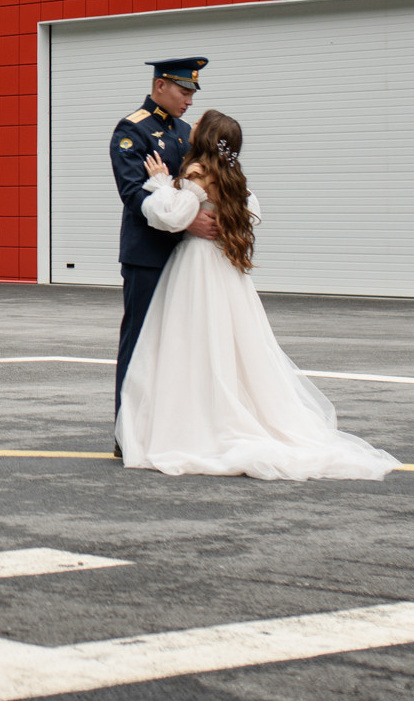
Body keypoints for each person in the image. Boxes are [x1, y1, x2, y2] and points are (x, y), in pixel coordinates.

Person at [115, 109, 399, 481]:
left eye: (199, 123)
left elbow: (170, 216)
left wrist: (161, 183)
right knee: (232, 341)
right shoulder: (231, 176)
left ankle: (195, 419)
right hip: (225, 268)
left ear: (206, 136)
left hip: (196, 265)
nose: (191, 124)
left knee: (192, 341)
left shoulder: (196, 172)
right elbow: (251, 211)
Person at [107, 56, 217, 446]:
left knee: (182, 345)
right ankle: (128, 434)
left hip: (187, 258)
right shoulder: (132, 129)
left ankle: (171, 430)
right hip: (149, 255)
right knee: (140, 343)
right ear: (160, 86)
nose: (189, 100)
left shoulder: (187, 132)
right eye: (184, 91)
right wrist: (188, 222)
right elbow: (133, 194)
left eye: (192, 93)